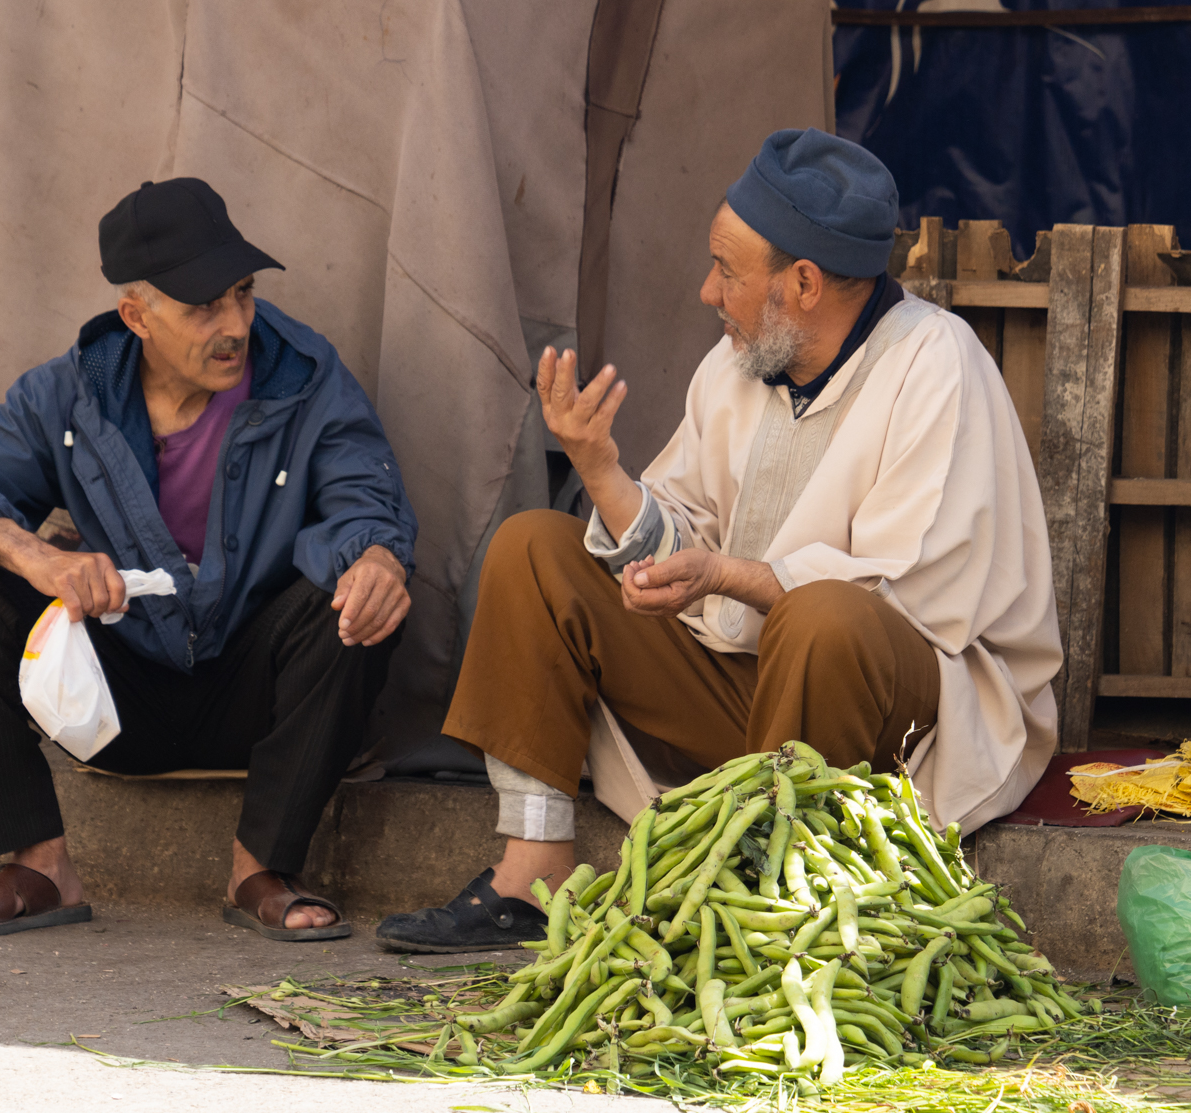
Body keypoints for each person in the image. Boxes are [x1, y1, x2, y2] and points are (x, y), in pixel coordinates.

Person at [376, 129, 1060, 952]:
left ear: (803, 282)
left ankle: (765, 903)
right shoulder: (734, 367)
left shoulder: (936, 361)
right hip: (750, 689)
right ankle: (532, 873)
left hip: (897, 714)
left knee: (825, 619)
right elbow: (677, 543)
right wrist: (600, 470)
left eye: (727, 270)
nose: (707, 291)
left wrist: (732, 575)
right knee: (534, 549)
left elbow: (910, 592)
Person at [0, 178, 418, 941]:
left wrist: (376, 558)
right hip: (116, 694)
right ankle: (40, 865)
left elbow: (364, 495)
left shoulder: (302, 375)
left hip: (255, 691)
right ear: (136, 315)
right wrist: (38, 557)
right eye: (204, 306)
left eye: (243, 292)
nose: (235, 324)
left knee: (361, 597)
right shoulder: (69, 395)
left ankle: (261, 868)